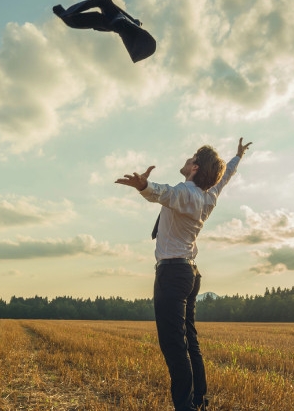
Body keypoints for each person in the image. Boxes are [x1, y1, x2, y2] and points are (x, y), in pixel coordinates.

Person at [115, 137, 252, 411]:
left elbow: (165, 193)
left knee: (174, 345)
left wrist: (144, 185)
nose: (187, 160)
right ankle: (199, 399)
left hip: (173, 273)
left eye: (191, 158)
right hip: (189, 273)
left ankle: (186, 406)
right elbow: (224, 179)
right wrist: (236, 158)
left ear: (195, 169)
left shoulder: (186, 193)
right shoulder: (208, 196)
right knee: (189, 340)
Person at [52, 0, 157, 63]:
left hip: (116, 22)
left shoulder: (128, 27)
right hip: (116, 22)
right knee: (73, 21)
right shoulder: (125, 27)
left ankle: (66, 14)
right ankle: (65, 14)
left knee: (80, 20)